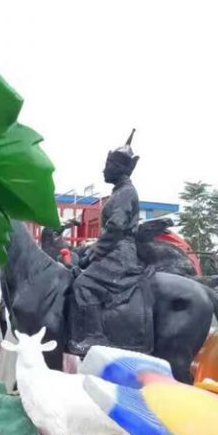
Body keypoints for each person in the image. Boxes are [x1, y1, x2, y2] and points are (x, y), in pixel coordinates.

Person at [69, 130, 146, 355]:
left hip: (120, 253)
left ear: (119, 168)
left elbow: (116, 226)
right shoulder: (119, 192)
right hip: (114, 248)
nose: (104, 170)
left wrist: (96, 251)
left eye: (108, 166)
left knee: (83, 284)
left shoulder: (125, 193)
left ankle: (96, 336)